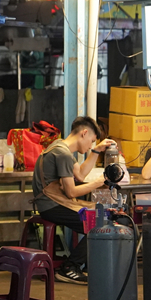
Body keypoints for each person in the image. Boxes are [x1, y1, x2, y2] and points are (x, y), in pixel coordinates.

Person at [31, 116, 116, 285]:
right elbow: (71, 192)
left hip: (52, 203)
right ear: (84, 133)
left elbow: (80, 175)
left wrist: (96, 151)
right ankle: (70, 268)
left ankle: (84, 267)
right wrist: (98, 183)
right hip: (51, 205)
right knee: (100, 224)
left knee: (104, 217)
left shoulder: (60, 147)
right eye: (91, 141)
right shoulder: (62, 154)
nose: (90, 146)